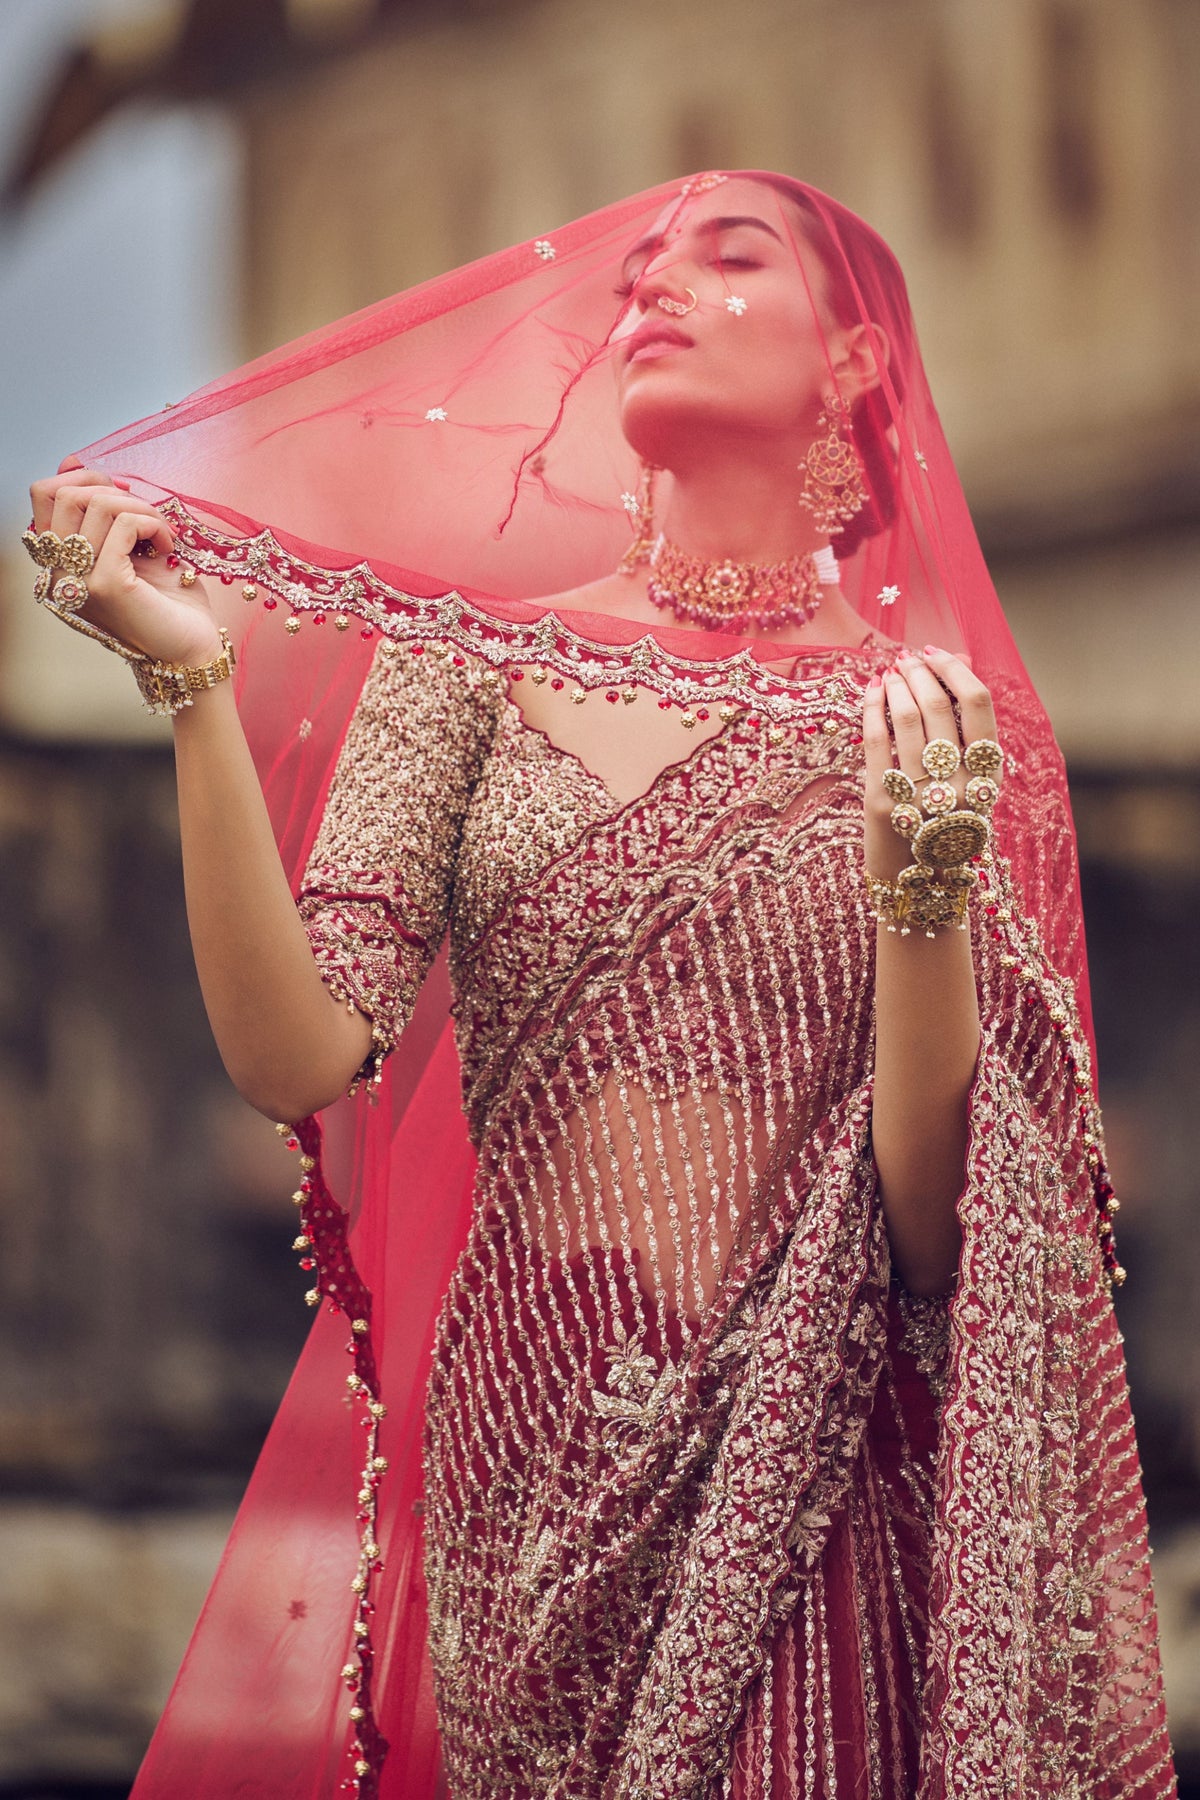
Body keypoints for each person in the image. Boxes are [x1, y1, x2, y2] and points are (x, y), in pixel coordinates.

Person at [26, 172, 1176, 1799]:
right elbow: (296, 1058)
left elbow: (940, 1247)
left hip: (819, 1450)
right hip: (529, 1444)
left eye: (729, 254)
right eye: (639, 266)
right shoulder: (466, 664)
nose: (656, 285)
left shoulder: (925, 730)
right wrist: (194, 686)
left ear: (854, 364)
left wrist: (919, 892)